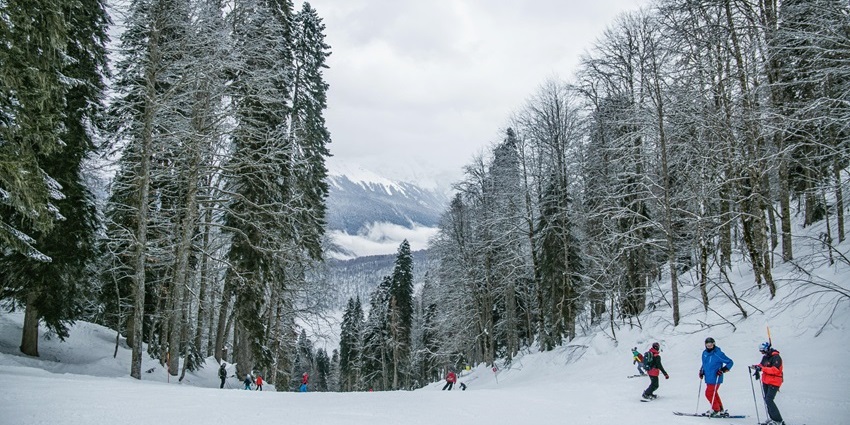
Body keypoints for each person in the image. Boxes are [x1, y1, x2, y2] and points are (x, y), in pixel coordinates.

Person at [699, 337, 733, 417]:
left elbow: (730, 362)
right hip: (708, 377)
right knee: (714, 393)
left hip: (716, 377)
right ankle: (720, 409)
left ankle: (715, 409)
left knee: (708, 394)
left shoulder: (718, 353)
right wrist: (701, 371)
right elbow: (704, 364)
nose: (709, 346)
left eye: (711, 344)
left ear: (714, 344)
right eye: (707, 345)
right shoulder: (704, 353)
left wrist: (723, 370)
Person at [753, 342, 784, 425]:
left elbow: (775, 370)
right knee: (767, 400)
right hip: (766, 381)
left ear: (767, 349)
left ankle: (778, 420)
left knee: (769, 400)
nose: (761, 353)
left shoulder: (776, 357)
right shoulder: (765, 357)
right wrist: (756, 367)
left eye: (762, 351)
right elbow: (761, 365)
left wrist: (762, 369)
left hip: (774, 381)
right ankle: (772, 418)